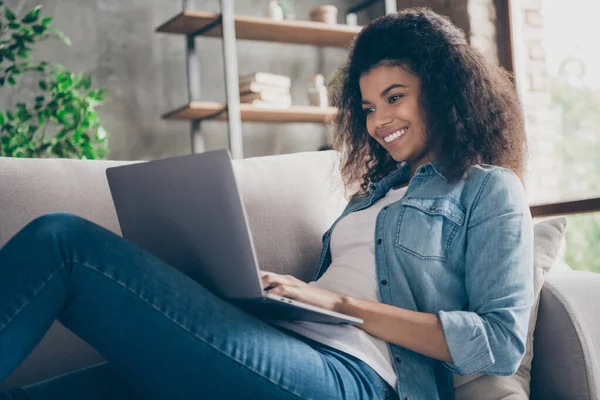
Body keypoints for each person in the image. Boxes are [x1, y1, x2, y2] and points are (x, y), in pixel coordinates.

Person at [0, 8, 533, 400]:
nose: (378, 121)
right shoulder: (372, 195)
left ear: (442, 90)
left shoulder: (488, 189)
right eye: (369, 106)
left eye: (395, 97)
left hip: (358, 377)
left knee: (64, 244)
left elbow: (500, 341)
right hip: (278, 343)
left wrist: (341, 306)